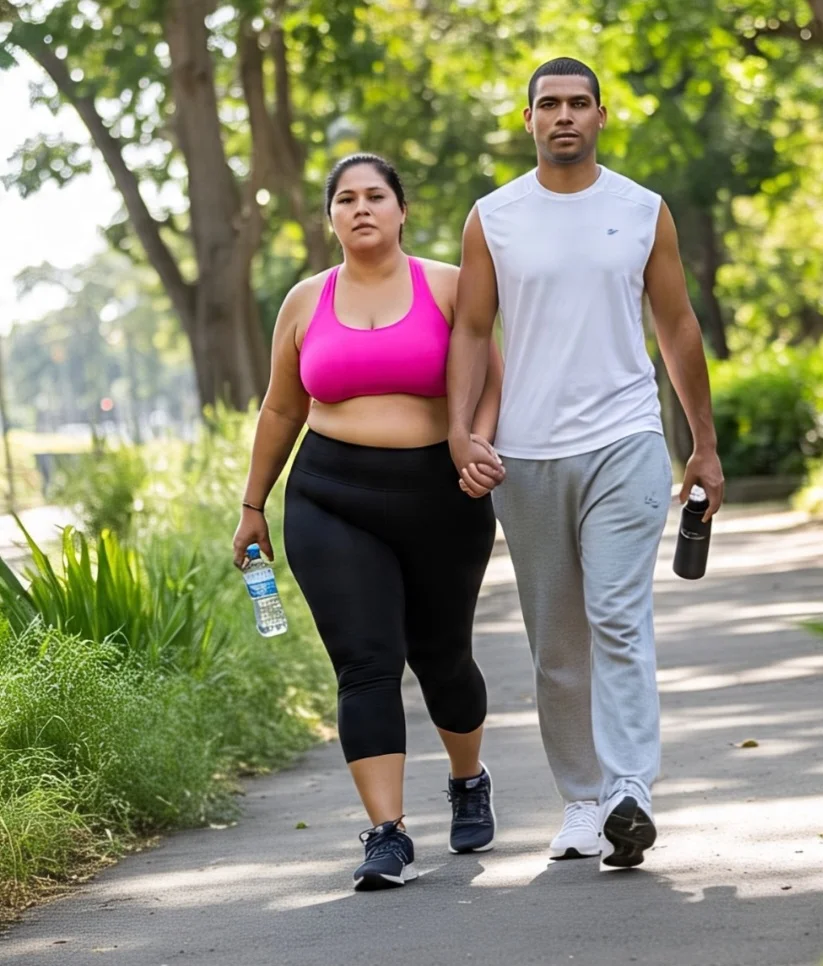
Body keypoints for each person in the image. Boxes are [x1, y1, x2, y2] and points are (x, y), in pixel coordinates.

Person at [446, 58, 725, 869]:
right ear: (527, 119)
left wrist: (702, 443)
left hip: (626, 440)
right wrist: (461, 432)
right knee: (557, 645)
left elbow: (676, 326)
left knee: (616, 614)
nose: (563, 115)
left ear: (601, 115)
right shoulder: (492, 218)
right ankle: (581, 798)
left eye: (577, 103)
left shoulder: (642, 211)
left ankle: (630, 788)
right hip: (527, 457)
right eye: (548, 104)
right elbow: (470, 330)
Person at [232, 153, 506, 891]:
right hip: (331, 498)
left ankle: (468, 778)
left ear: (401, 209)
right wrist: (253, 504)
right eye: (346, 199)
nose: (361, 208)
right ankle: (387, 834)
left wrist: (478, 443)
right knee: (365, 663)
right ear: (330, 218)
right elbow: (282, 407)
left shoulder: (448, 287)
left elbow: (491, 382)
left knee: (442, 656)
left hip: (442, 497)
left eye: (375, 196)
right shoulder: (303, 302)